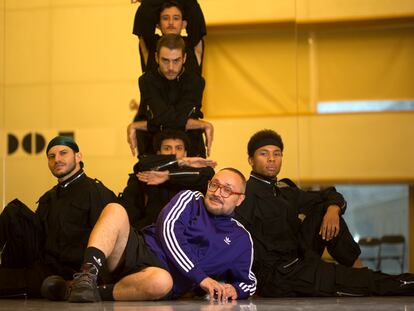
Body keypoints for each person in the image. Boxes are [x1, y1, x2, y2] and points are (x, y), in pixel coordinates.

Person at [234, 129, 414, 297]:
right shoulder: (244, 195)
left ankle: (356, 265)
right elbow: (233, 242)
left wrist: (333, 210)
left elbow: (329, 194)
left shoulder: (285, 192)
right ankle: (399, 282)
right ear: (251, 160)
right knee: (357, 282)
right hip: (279, 277)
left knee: (324, 207)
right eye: (264, 153)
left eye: (277, 153)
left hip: (301, 258)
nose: (271, 159)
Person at [43, 168, 256, 302]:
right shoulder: (190, 199)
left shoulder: (241, 239)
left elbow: (249, 280)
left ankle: (77, 291)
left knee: (162, 282)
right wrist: (201, 278)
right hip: (138, 250)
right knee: (115, 210)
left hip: (158, 279)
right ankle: (86, 277)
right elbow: (168, 230)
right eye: (215, 185)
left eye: (227, 189)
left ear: (240, 199)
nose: (218, 192)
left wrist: (236, 290)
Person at [0, 136, 117, 298]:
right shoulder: (48, 197)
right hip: (43, 264)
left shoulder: (96, 192)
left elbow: (107, 240)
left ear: (78, 157)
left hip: (72, 271)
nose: (57, 160)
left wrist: (94, 277)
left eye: (63, 153)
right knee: (13, 211)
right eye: (52, 156)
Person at [128, 34, 213, 158]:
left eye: (176, 60)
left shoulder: (196, 82)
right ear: (156, 57)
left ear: (184, 58)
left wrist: (138, 125)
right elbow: (164, 117)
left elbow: (169, 119)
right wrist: (202, 124)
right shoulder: (146, 81)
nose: (171, 68)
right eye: (165, 60)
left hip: (192, 149)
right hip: (154, 148)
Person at [120, 129, 216, 228]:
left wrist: (168, 176)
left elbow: (208, 174)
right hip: (153, 229)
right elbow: (141, 166)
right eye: (167, 148)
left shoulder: (196, 173)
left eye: (179, 148)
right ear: (158, 153)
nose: (173, 153)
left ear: (186, 153)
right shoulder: (149, 171)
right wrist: (181, 161)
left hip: (188, 229)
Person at [133, 0, 206, 74]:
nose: (171, 22)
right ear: (158, 24)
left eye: (176, 18)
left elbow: (193, 8)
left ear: (183, 24)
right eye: (165, 18)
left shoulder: (192, 46)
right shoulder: (151, 47)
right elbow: (145, 11)